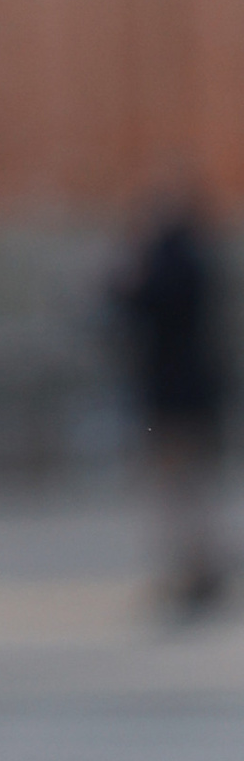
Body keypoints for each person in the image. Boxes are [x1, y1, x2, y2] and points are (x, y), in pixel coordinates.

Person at [112, 195, 232, 619]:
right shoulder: (198, 261)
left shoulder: (166, 268)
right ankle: (199, 567)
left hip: (170, 398)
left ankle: (195, 569)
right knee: (191, 487)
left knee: (177, 488)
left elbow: (132, 306)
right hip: (195, 394)